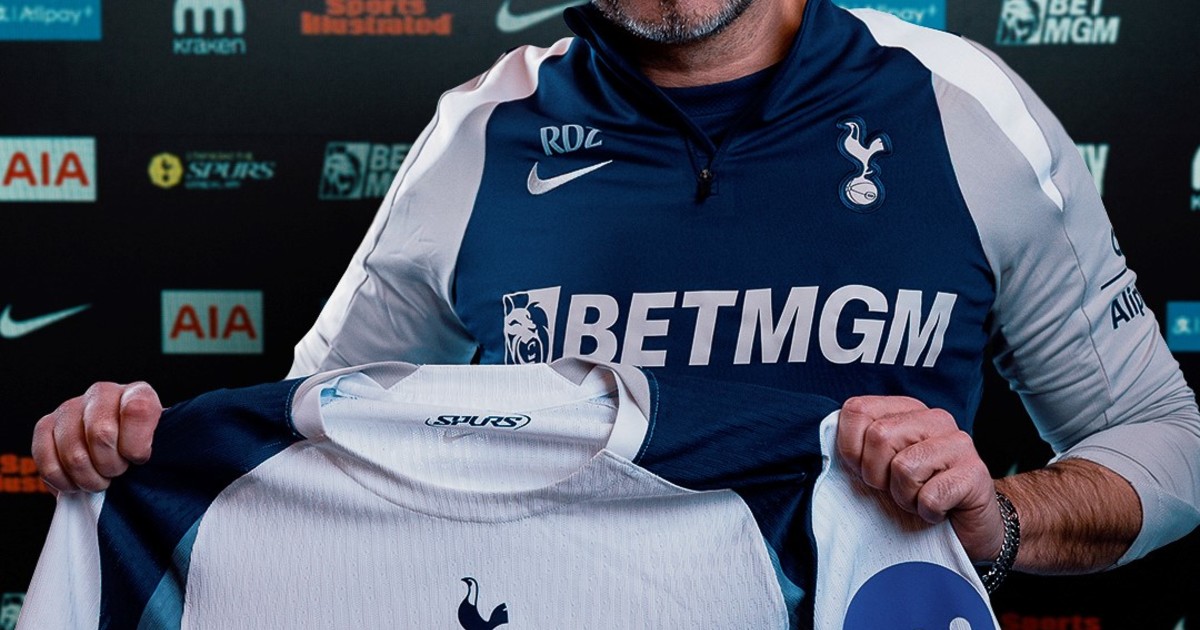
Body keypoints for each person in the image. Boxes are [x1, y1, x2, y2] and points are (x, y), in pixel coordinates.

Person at [32, 0, 1200, 590]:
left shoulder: (961, 109)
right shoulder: (480, 135)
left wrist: (999, 519)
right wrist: (141, 452)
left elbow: (1167, 442)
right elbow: (307, 453)